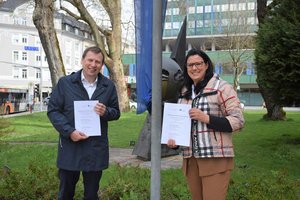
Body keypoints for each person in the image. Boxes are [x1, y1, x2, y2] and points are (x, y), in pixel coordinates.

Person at [167, 48, 244, 200]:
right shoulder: (184, 92)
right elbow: (183, 126)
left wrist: (207, 118)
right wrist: (175, 142)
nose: (194, 68)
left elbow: (238, 120)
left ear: (207, 65)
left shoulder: (221, 88)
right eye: (190, 65)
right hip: (191, 159)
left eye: (198, 64)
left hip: (215, 158)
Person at [47, 46, 120, 200]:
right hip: (70, 147)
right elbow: (53, 110)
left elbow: (116, 112)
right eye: (90, 60)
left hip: (95, 149)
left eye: (98, 62)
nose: (93, 65)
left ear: (101, 65)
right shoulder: (65, 83)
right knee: (66, 193)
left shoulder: (108, 86)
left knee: (91, 195)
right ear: (82, 61)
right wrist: (69, 131)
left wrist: (105, 112)